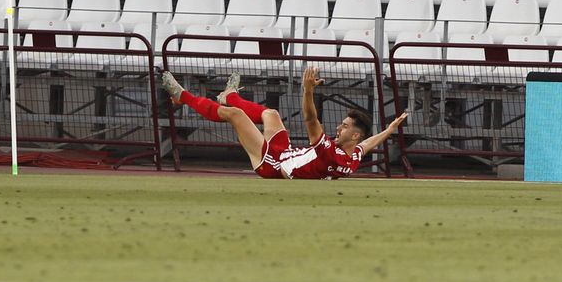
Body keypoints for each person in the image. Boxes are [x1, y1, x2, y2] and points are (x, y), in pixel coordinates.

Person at [160, 66, 407, 180]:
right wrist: (389, 130)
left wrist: (308, 90)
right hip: (284, 152)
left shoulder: (331, 153)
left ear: (353, 135)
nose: (338, 128)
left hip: (272, 164)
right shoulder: (352, 158)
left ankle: (182, 97)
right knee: (272, 115)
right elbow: (367, 144)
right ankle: (229, 96)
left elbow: (311, 119)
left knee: (235, 115)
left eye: (344, 126)